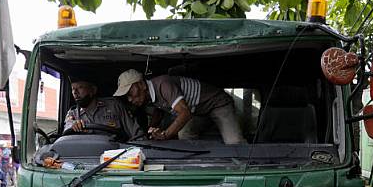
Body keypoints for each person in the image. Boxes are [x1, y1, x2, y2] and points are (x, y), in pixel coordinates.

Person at [114, 69, 245, 144]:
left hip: (217, 103)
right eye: (127, 96)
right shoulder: (148, 96)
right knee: (185, 135)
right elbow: (159, 112)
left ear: (142, 85)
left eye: (130, 92)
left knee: (234, 142)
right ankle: (196, 165)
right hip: (197, 111)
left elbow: (184, 113)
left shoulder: (163, 84)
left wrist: (165, 134)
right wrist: (150, 131)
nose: (130, 99)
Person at [63, 78, 140, 141]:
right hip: (85, 156)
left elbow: (135, 134)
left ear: (93, 90)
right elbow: (67, 128)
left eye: (80, 87)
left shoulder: (114, 106)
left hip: (115, 154)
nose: (75, 92)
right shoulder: (73, 113)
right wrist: (72, 125)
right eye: (73, 89)